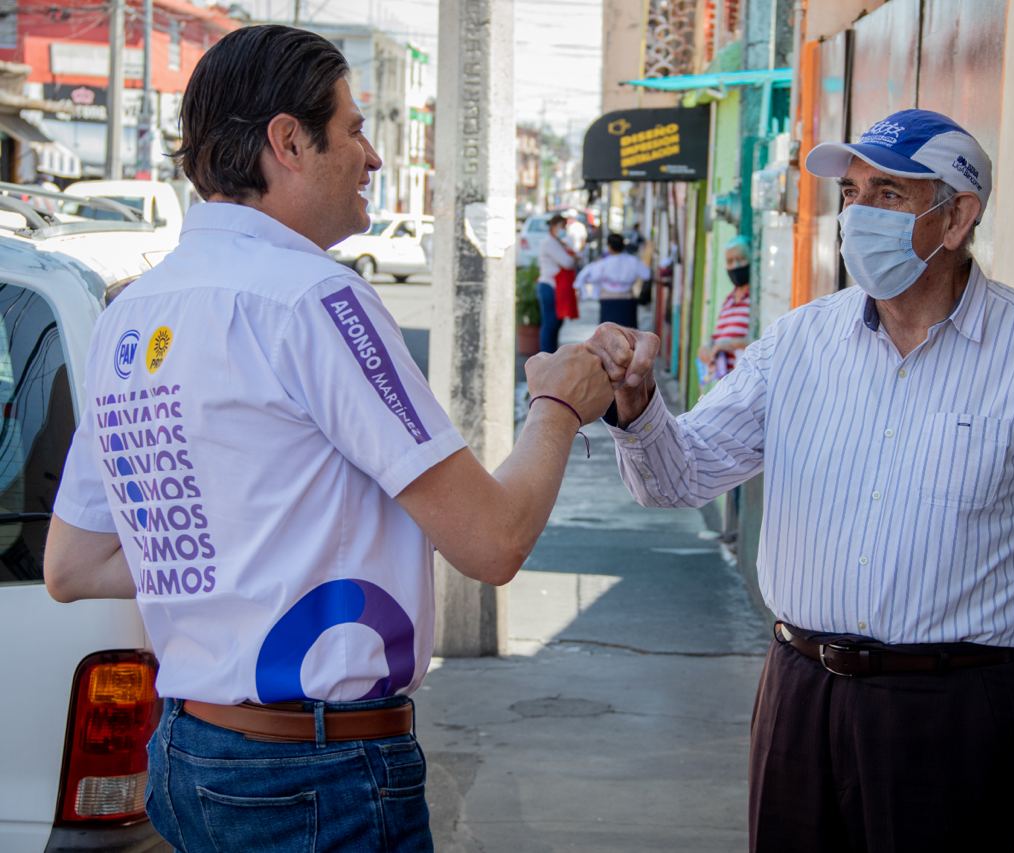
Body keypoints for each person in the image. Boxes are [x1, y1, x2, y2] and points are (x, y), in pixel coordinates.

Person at [42, 25, 612, 853]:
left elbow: (75, 563)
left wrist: (253, 550)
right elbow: (492, 541)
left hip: (189, 755)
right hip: (315, 772)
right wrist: (558, 403)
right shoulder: (314, 299)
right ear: (287, 141)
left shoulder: (132, 307)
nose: (373, 157)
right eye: (352, 128)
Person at [585, 109, 1014, 853]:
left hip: (955, 714)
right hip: (800, 696)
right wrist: (638, 409)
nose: (859, 215)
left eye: (889, 194)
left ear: (958, 216)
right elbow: (683, 475)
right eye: (853, 193)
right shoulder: (800, 343)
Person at [697, 236, 752, 381]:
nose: (735, 265)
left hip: (746, 382)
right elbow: (715, 338)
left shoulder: (755, 299)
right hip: (726, 385)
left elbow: (762, 340)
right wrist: (706, 349)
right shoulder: (728, 301)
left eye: (741, 259)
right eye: (730, 261)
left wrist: (730, 345)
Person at [576, 232, 651, 328]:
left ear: (609, 247)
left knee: (608, 335)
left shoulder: (603, 263)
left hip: (608, 301)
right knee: (628, 335)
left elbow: (591, 277)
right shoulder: (633, 261)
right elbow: (647, 275)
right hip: (627, 301)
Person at [537, 212, 577, 352]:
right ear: (553, 226)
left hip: (556, 287)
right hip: (549, 286)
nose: (563, 230)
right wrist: (573, 258)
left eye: (564, 227)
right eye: (561, 226)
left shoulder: (558, 242)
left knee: (556, 323)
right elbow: (568, 262)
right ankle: (546, 356)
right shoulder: (549, 243)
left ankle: (550, 355)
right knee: (550, 324)